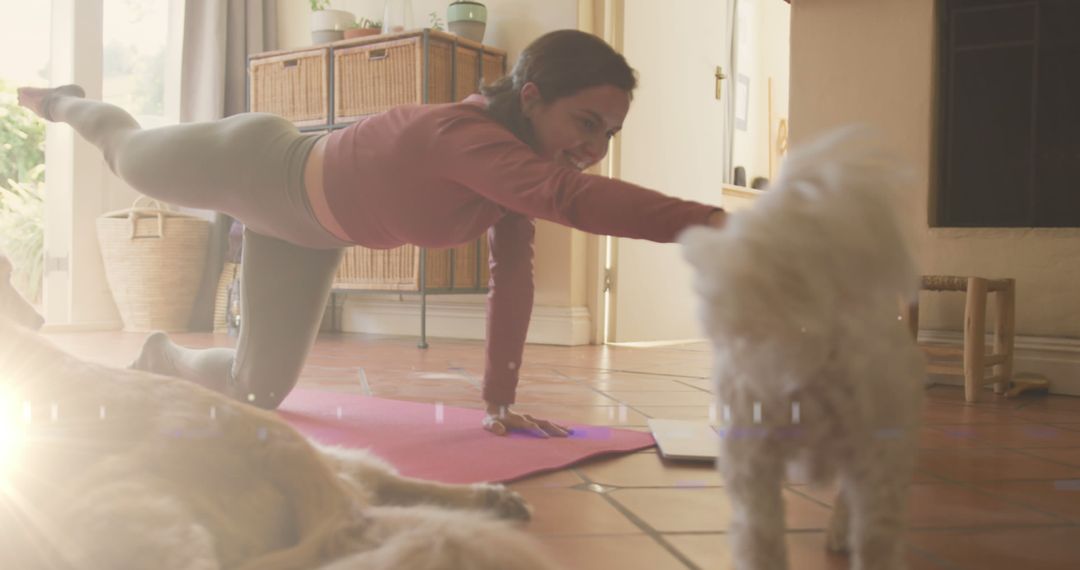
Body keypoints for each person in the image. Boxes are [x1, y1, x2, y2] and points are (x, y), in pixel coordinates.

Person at [19, 29, 725, 438]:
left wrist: (499, 400)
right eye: (587, 124)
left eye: (610, 134)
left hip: (307, 238)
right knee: (128, 156)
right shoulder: (462, 135)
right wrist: (719, 226)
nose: (595, 148)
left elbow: (513, 280)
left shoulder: (514, 179)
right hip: (258, 167)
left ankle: (160, 356)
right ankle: (68, 103)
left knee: (259, 389)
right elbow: (573, 198)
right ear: (533, 97)